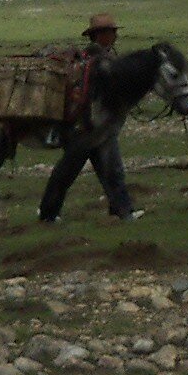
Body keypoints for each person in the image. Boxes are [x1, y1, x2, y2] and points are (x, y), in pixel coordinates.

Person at [38, 13, 144, 223]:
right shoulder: (99, 62)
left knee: (110, 169)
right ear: (101, 35)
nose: (115, 36)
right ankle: (48, 213)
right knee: (69, 172)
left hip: (95, 127)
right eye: (112, 32)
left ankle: (122, 211)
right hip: (86, 128)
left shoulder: (92, 57)